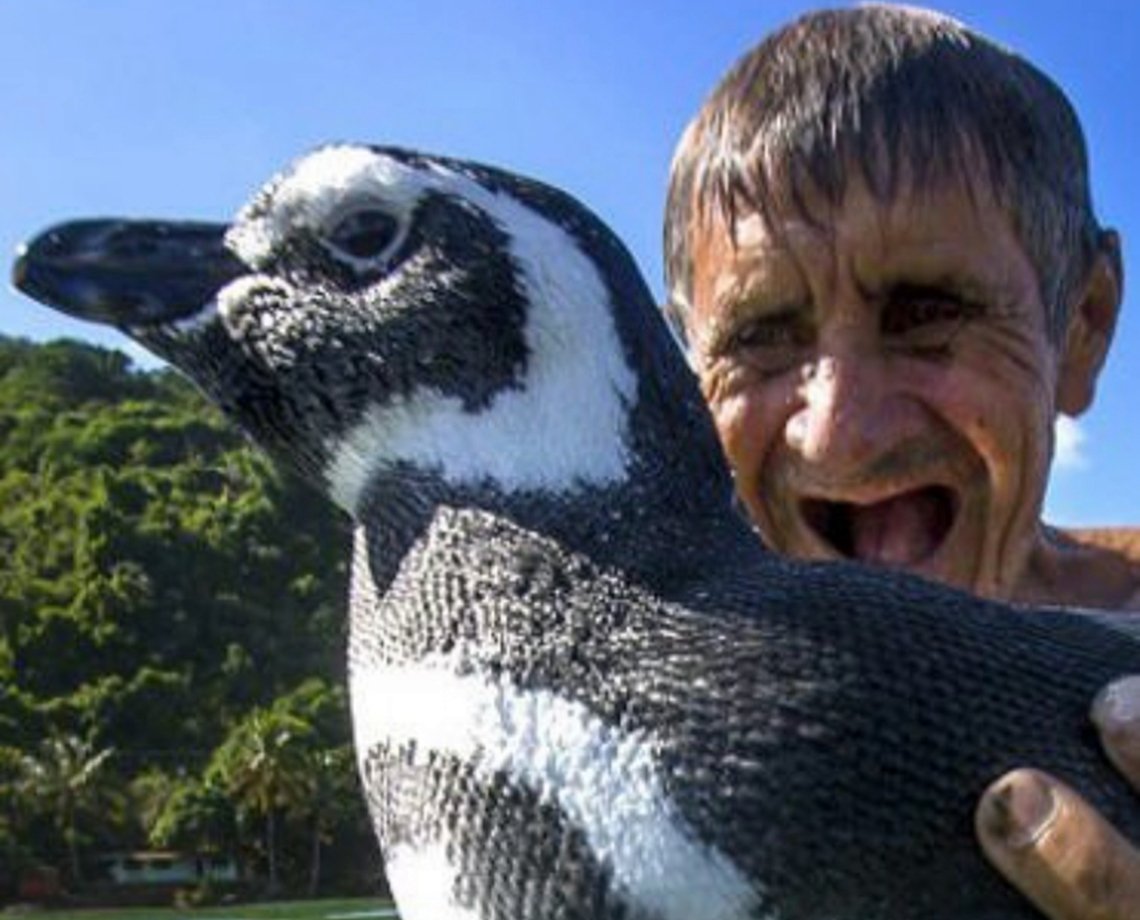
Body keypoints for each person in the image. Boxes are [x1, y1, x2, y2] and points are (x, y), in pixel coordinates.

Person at [660, 6, 1140, 918]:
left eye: (927, 313)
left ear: (1080, 328)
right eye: (764, 336)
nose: (838, 434)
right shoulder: (625, 704)